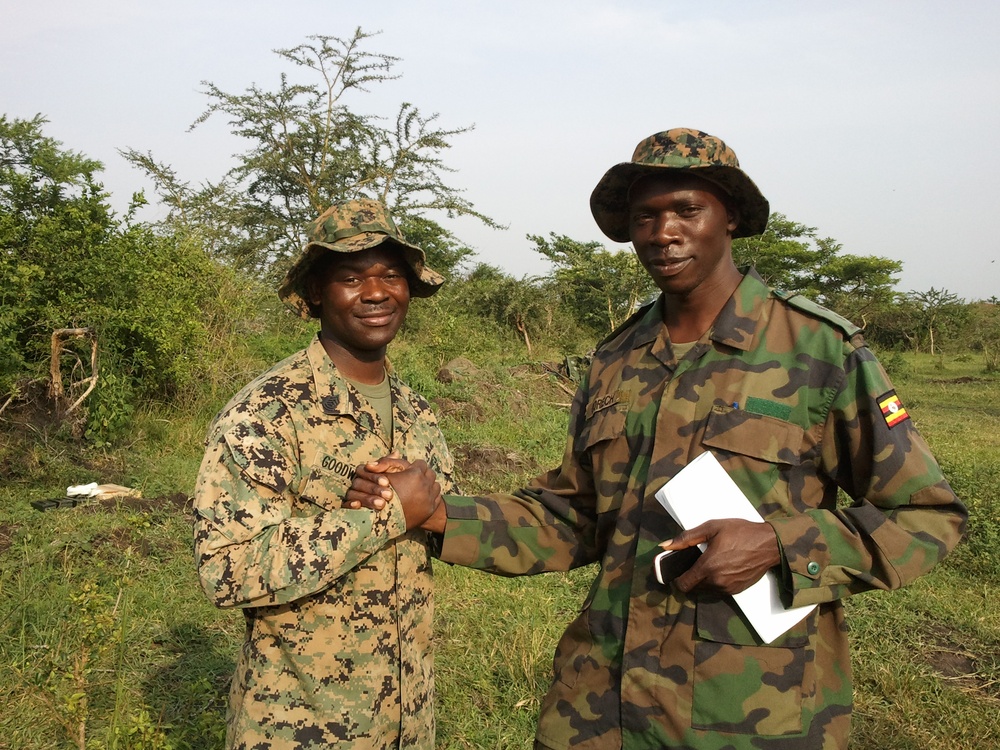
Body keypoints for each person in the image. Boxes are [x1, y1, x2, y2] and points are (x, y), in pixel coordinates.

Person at [349, 129, 968, 750]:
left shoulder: (818, 351)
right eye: (645, 215)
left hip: (747, 711)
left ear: (729, 218)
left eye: (686, 210)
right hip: (601, 706)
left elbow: (926, 516)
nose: (662, 231)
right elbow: (575, 517)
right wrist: (434, 513)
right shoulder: (616, 359)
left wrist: (778, 544)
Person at [193, 198, 456, 750]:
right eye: (351, 277)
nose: (377, 291)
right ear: (316, 292)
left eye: (391, 274)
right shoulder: (268, 412)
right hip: (303, 725)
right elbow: (226, 569)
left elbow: (438, 519)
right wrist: (378, 516)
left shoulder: (417, 411)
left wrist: (423, 508)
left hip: (409, 720)